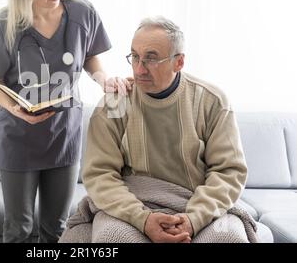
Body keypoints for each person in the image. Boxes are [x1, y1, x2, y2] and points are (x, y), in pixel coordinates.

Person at [0, 0, 131, 243]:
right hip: (17, 139)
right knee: (18, 229)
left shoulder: (82, 12)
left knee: (57, 228)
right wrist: (16, 110)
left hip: (64, 136)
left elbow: (89, 57)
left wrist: (104, 80)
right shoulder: (3, 24)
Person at [81, 16, 249, 243]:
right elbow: (100, 175)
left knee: (228, 238)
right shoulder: (113, 104)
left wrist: (193, 219)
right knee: (113, 237)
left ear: (178, 62)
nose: (139, 69)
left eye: (151, 59)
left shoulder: (213, 101)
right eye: (135, 57)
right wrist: (143, 219)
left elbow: (229, 172)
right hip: (132, 207)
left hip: (196, 205)